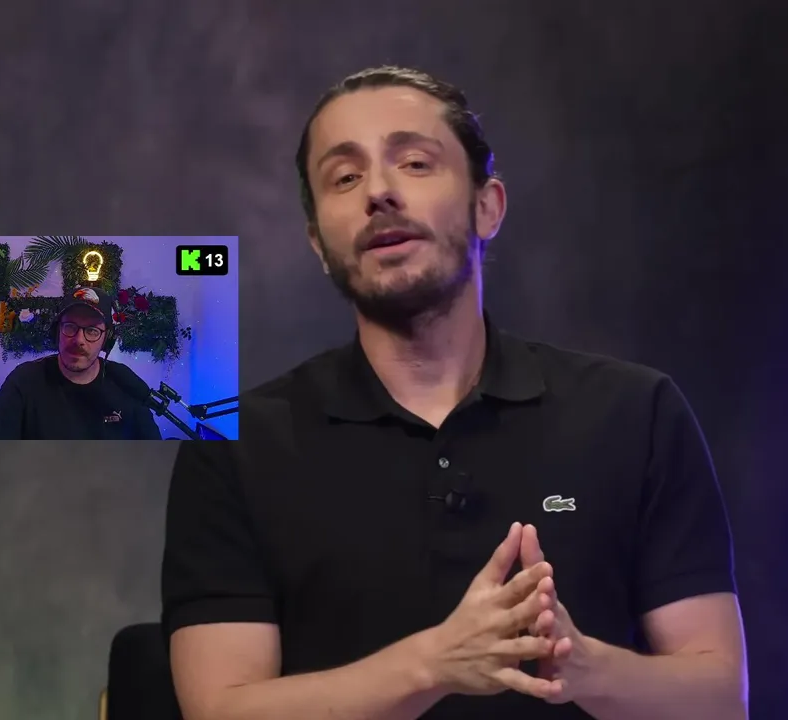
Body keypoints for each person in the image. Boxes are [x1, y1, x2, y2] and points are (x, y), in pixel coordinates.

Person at [162, 66, 747, 720]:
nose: (378, 192)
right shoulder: (234, 446)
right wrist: (434, 665)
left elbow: (720, 700)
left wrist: (585, 668)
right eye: (345, 177)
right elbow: (220, 711)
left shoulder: (635, 414)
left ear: (487, 206)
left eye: (414, 163)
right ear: (319, 244)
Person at [0, 287, 163, 440]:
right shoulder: (24, 380)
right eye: (70, 326)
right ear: (57, 331)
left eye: (92, 330)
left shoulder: (126, 383)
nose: (79, 340)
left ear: (107, 339)